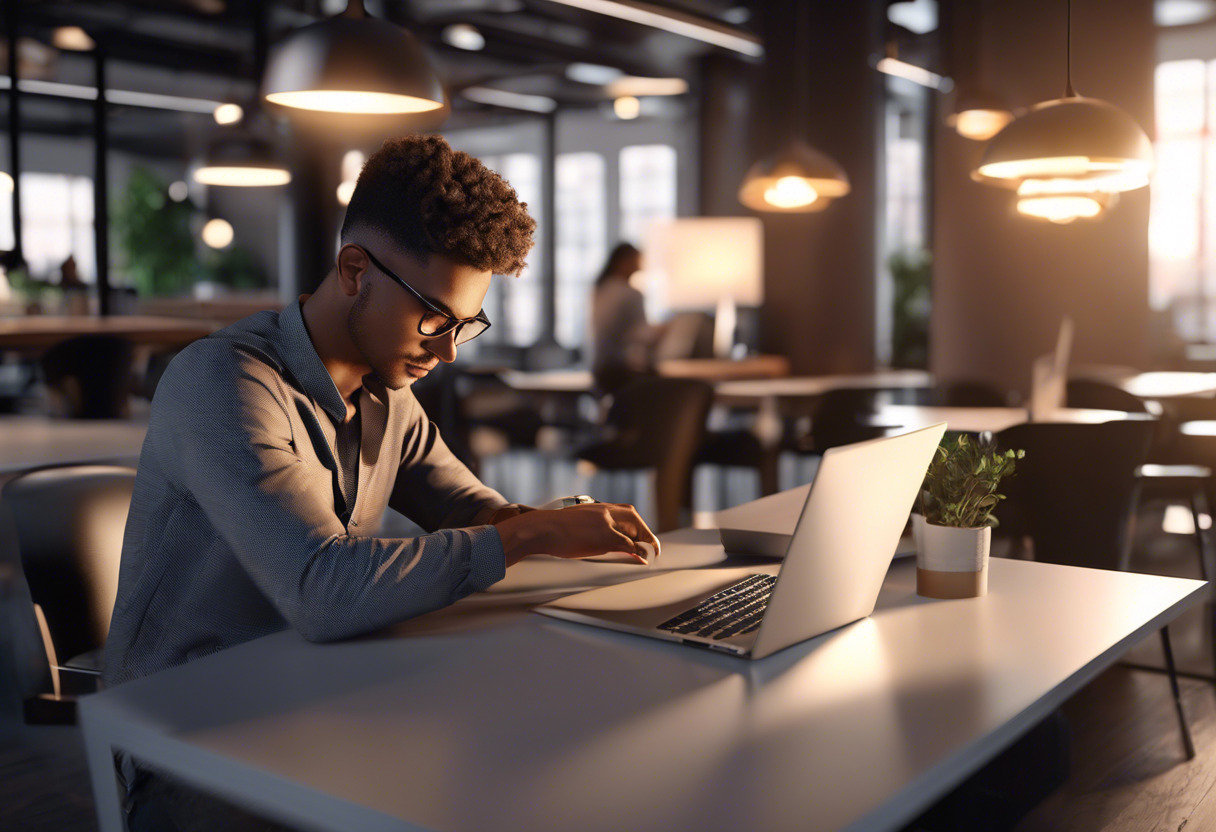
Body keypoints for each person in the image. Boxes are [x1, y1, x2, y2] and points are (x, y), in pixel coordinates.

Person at [104, 135, 660, 830]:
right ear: (355, 269)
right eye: (434, 318)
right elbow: (322, 589)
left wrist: (561, 525)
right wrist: (533, 531)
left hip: (318, 692)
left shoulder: (385, 394)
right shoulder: (222, 383)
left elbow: (474, 510)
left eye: (466, 324)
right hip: (190, 740)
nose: (449, 350)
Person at [589, 242, 662, 393]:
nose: (640, 266)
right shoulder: (630, 294)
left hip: (600, 369)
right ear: (624, 262)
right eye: (637, 261)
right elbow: (642, 335)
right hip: (621, 371)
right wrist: (664, 330)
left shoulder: (600, 290)